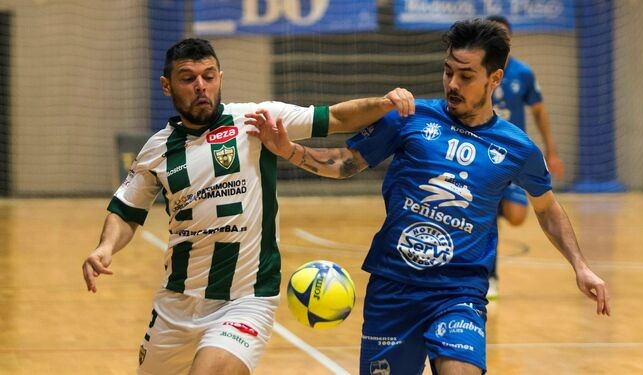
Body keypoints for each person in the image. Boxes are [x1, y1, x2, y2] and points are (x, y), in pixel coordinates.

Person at [248, 19, 610, 375]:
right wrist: (289, 150)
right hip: (393, 288)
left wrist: (580, 266)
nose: (453, 83)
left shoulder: (517, 147)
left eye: (466, 76)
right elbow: (346, 162)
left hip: (459, 292)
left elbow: (546, 209)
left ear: (494, 79)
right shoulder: (410, 117)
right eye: (448, 71)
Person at [81, 38, 414, 375]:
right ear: (167, 86)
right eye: (188, 78)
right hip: (177, 304)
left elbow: (336, 118)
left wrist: (386, 103)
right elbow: (126, 209)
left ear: (220, 78)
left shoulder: (256, 120)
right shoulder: (156, 150)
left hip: (246, 300)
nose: (200, 86)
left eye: (209, 76)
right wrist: (105, 248)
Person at [485, 14, 565, 299]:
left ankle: (492, 210)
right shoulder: (479, 71)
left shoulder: (524, 73)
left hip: (514, 156)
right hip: (486, 155)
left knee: (517, 216)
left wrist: (551, 151)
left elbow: (539, 112)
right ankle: (490, 276)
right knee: (489, 216)